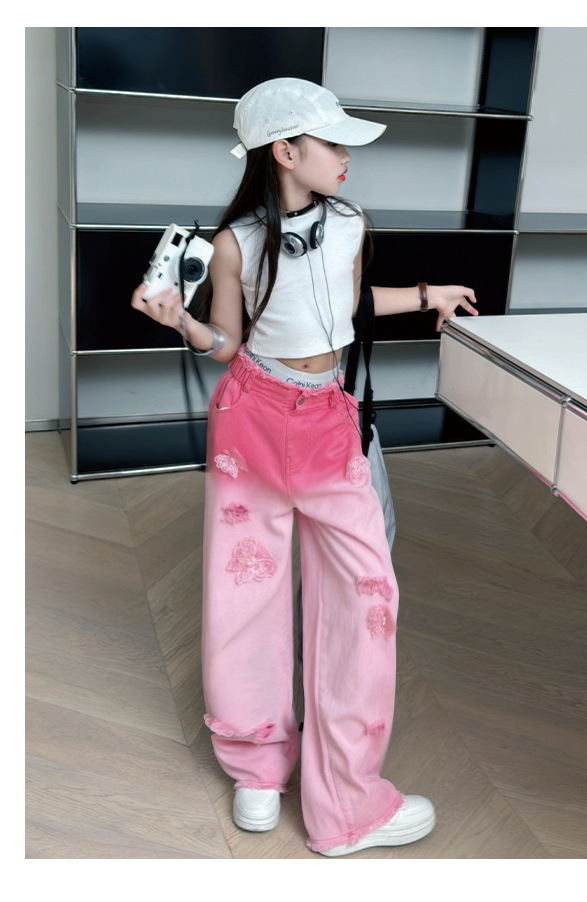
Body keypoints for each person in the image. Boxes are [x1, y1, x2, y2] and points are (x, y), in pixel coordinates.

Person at [131, 77, 478, 856]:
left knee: (365, 595)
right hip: (251, 416)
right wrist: (182, 321)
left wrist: (427, 294)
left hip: (326, 419)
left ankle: (343, 804)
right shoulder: (235, 243)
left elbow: (344, 309)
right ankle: (257, 769)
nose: (347, 155)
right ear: (285, 152)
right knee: (244, 593)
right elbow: (227, 343)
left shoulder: (351, 223)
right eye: (332, 141)